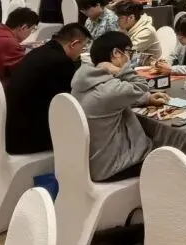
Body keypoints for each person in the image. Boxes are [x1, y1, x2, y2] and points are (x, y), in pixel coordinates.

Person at [71, 31, 169, 182]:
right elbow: (142, 86)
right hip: (112, 166)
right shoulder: (110, 90)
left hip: (89, 162)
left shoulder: (83, 81)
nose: (130, 58)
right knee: (169, 155)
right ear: (117, 53)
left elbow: (113, 100)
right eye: (129, 52)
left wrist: (147, 99)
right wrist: (121, 70)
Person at [5, 23, 90, 154]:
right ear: (74, 44)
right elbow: (66, 103)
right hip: (29, 139)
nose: (81, 52)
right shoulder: (61, 62)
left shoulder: (37, 52)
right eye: (83, 47)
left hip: (13, 129)